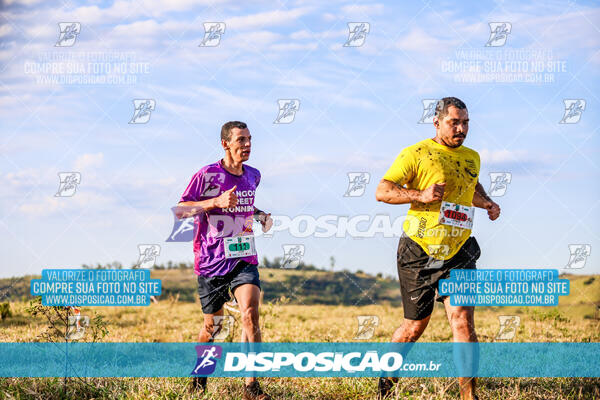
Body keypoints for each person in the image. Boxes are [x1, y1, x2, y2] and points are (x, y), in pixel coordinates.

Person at [375, 97, 501, 400]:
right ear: (437, 122)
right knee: (414, 327)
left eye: (466, 122)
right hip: (419, 250)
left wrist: (486, 203)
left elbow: (471, 186)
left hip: (459, 249)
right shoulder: (417, 153)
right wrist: (421, 194)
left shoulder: (472, 157)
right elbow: (383, 191)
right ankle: (386, 383)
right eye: (454, 122)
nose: (461, 128)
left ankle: (468, 395)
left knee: (462, 320)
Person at [176, 121, 273, 400]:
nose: (247, 145)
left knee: (250, 314)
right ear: (225, 144)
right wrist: (214, 202)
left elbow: (244, 203)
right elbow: (181, 209)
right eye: (241, 140)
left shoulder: (253, 175)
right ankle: (199, 378)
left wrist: (261, 215)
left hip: (244, 256)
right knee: (213, 327)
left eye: (250, 139)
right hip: (211, 259)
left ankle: (252, 387)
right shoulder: (208, 174)